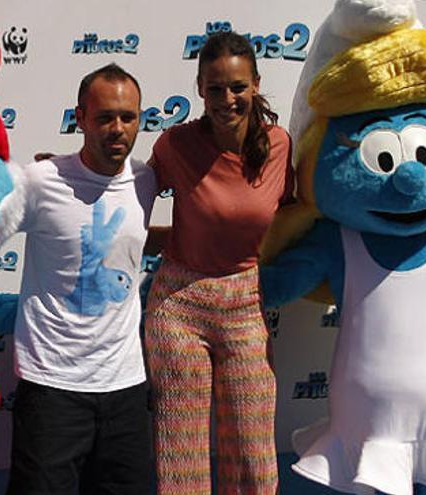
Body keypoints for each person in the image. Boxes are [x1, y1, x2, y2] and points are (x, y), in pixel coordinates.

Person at [144, 31, 293, 494]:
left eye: (237, 87)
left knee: (253, 455)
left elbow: (297, 220)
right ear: (199, 89)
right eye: (214, 88)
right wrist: (68, 177)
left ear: (255, 83)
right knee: (182, 456)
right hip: (178, 306)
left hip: (245, 300)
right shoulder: (175, 145)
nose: (226, 99)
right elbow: (123, 199)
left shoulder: (279, 145)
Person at [5, 63, 155, 495]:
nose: (117, 129)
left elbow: (145, 237)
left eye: (128, 117)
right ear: (80, 118)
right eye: (105, 117)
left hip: (125, 388)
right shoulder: (40, 181)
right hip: (52, 389)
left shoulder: (146, 180)